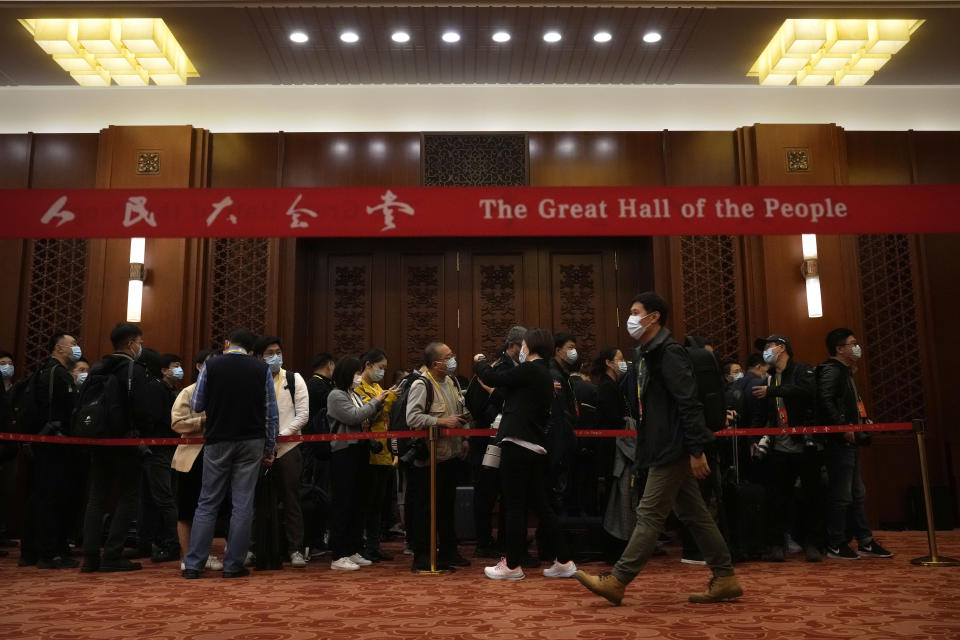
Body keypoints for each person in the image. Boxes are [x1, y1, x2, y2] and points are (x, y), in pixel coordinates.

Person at [575, 292, 742, 605]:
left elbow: (688, 403)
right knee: (696, 514)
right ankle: (725, 577)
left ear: (653, 318)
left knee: (649, 515)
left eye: (636, 312)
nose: (631, 318)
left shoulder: (669, 353)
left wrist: (696, 449)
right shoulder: (646, 354)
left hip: (674, 447)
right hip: (662, 446)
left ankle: (618, 579)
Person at [474, 328, 578, 581]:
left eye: (522, 344)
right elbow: (506, 394)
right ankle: (564, 560)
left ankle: (511, 565)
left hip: (518, 444)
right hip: (533, 446)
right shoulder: (542, 373)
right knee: (542, 506)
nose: (520, 348)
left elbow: (493, 377)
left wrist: (480, 361)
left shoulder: (531, 369)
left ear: (530, 346)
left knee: (514, 506)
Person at [182, 329, 279, 579]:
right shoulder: (261, 370)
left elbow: (196, 404)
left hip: (218, 439)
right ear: (252, 349)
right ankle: (233, 564)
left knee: (207, 501)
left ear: (227, 344)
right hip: (251, 440)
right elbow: (271, 412)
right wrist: (269, 448)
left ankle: (194, 564)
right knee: (243, 503)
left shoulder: (211, 365)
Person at [82, 323, 151, 573]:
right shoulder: (133, 368)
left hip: (97, 439)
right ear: (132, 343)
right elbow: (142, 409)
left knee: (96, 497)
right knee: (128, 496)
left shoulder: (98, 367)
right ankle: (112, 555)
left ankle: (90, 556)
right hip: (125, 441)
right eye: (140, 342)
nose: (141, 347)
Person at [818, 328, 892, 560]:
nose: (856, 347)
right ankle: (836, 542)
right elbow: (825, 399)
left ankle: (864, 541)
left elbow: (848, 402)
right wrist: (843, 427)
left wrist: (862, 420)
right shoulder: (831, 370)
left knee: (857, 493)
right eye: (852, 343)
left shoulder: (847, 371)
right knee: (842, 495)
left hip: (851, 439)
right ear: (839, 349)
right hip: (839, 441)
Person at [752, 333, 822, 563]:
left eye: (769, 346)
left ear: (781, 348)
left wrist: (773, 392)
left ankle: (812, 543)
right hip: (778, 448)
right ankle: (776, 544)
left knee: (812, 497)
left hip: (805, 445)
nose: (766, 352)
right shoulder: (768, 378)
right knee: (777, 498)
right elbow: (763, 413)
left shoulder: (802, 370)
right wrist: (754, 437)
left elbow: (806, 392)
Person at [405, 342, 470, 572]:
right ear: (435, 364)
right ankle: (423, 556)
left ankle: (448, 551)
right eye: (448, 357)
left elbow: (459, 411)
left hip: (450, 455)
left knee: (446, 506)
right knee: (426, 509)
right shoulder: (422, 385)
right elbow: (412, 418)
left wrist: (464, 438)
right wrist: (441, 422)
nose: (453, 360)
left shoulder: (451, 381)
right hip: (430, 458)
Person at [21, 332, 82, 569]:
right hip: (54, 446)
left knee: (40, 497)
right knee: (51, 499)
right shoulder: (56, 374)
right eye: (73, 345)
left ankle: (31, 552)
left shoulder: (44, 372)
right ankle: (49, 553)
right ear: (58, 349)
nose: (77, 349)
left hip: (45, 445)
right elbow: (61, 413)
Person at [463, 325, 526, 558]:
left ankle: (505, 540)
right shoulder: (495, 368)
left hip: (507, 438)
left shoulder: (518, 368)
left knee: (508, 493)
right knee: (486, 493)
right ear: (512, 346)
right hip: (488, 439)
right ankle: (484, 541)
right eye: (522, 346)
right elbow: (477, 405)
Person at [326, 356, 390, 571]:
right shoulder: (336, 395)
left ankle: (353, 549)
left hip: (360, 451)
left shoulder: (352, 394)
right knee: (343, 503)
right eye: (355, 373)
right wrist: (376, 401)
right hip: (344, 453)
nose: (358, 377)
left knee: (357, 503)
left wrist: (377, 406)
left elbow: (366, 418)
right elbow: (354, 417)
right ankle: (338, 554)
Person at [255, 335, 310, 568]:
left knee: (291, 500)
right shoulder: (254, 379)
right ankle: (253, 548)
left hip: (288, 447)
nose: (275, 356)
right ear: (259, 356)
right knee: (255, 501)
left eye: (278, 351)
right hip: (258, 449)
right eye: (269, 353)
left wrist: (279, 438)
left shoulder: (294, 378)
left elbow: (303, 415)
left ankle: (295, 549)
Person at [170, 348, 223, 572]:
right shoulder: (188, 392)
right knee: (187, 509)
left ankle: (207, 553)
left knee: (212, 509)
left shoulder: (224, 392)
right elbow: (177, 423)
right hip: (191, 458)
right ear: (199, 367)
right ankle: (188, 556)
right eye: (210, 364)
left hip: (219, 456)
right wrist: (203, 421)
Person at [132, 349, 180, 563]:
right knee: (158, 499)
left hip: (167, 450)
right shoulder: (156, 389)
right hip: (156, 450)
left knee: (160, 498)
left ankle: (162, 543)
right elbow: (155, 420)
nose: (179, 370)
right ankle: (164, 543)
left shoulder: (171, 389)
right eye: (175, 366)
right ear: (163, 370)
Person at [354, 348, 399, 562]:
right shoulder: (357, 387)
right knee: (366, 501)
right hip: (367, 451)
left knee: (378, 503)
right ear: (368, 365)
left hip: (384, 450)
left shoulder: (377, 387)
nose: (382, 372)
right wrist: (388, 399)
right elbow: (368, 414)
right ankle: (361, 545)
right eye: (380, 368)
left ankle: (374, 544)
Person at [303, 352, 336, 558]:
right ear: (330, 365)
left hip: (318, 448)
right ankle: (313, 540)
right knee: (317, 495)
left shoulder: (313, 384)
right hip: (317, 450)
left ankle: (317, 539)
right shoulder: (319, 386)